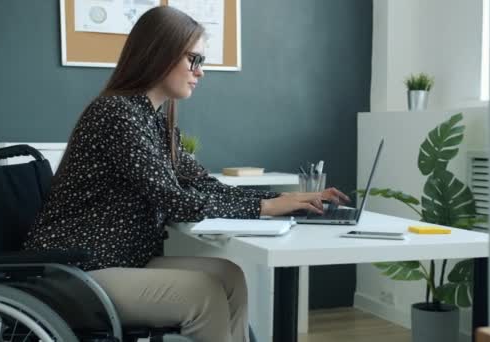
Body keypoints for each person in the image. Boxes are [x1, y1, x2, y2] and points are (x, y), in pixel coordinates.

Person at [23, 6, 349, 342]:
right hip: (78, 269)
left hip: (121, 260)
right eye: (194, 60)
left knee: (230, 276)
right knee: (203, 294)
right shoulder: (117, 114)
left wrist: (281, 198)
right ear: (159, 55)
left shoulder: (158, 123)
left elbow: (205, 185)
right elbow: (176, 201)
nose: (200, 72)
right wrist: (266, 208)